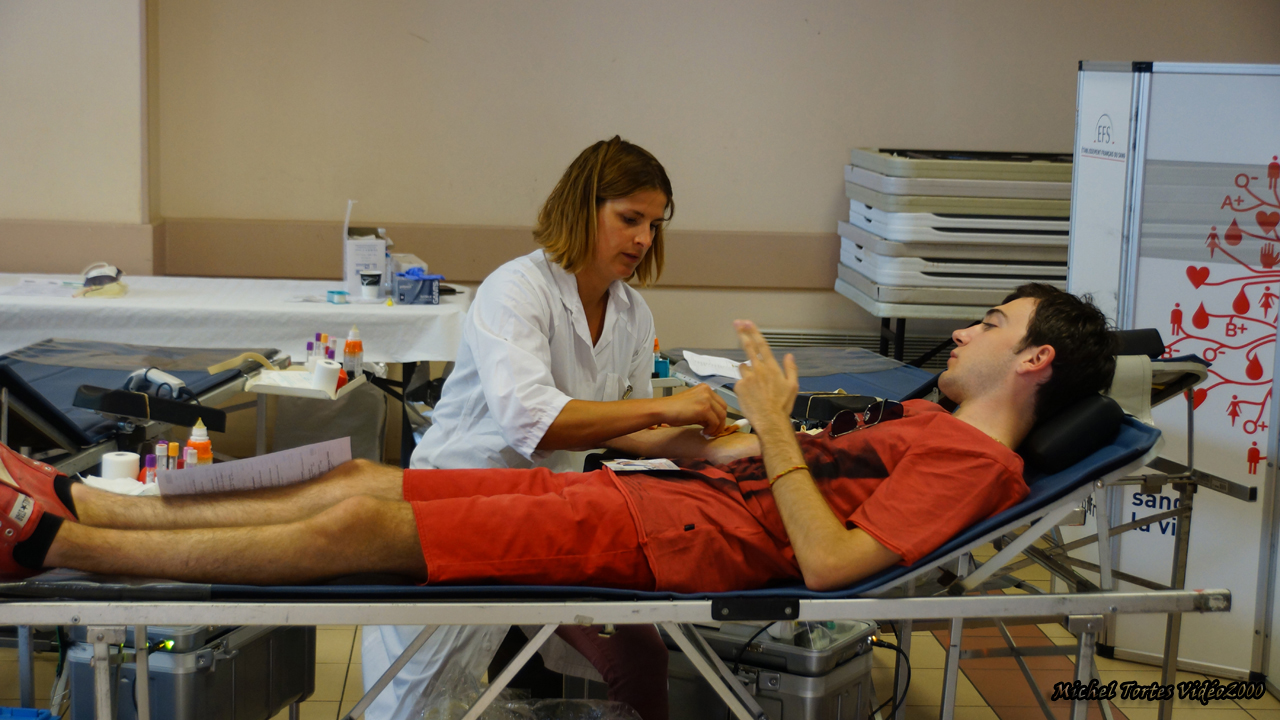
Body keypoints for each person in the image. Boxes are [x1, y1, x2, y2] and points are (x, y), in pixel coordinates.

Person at [0, 284, 1115, 705]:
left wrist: (768, 429)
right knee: (351, 473)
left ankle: (54, 544)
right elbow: (788, 482)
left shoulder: (975, 461)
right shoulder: (923, 421)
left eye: (991, 324)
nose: (965, 329)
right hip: (677, 500)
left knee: (356, 521)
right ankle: (92, 507)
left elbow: (826, 566)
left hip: (681, 544)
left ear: (1032, 365)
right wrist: (709, 439)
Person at [377, 136, 727, 720]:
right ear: (582, 207)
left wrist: (718, 447)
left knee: (640, 656)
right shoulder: (516, 290)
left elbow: (625, 432)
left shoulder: (631, 313)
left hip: (543, 517)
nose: (644, 239)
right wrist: (668, 409)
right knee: (417, 700)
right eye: (630, 219)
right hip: (459, 505)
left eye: (655, 225)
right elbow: (533, 422)